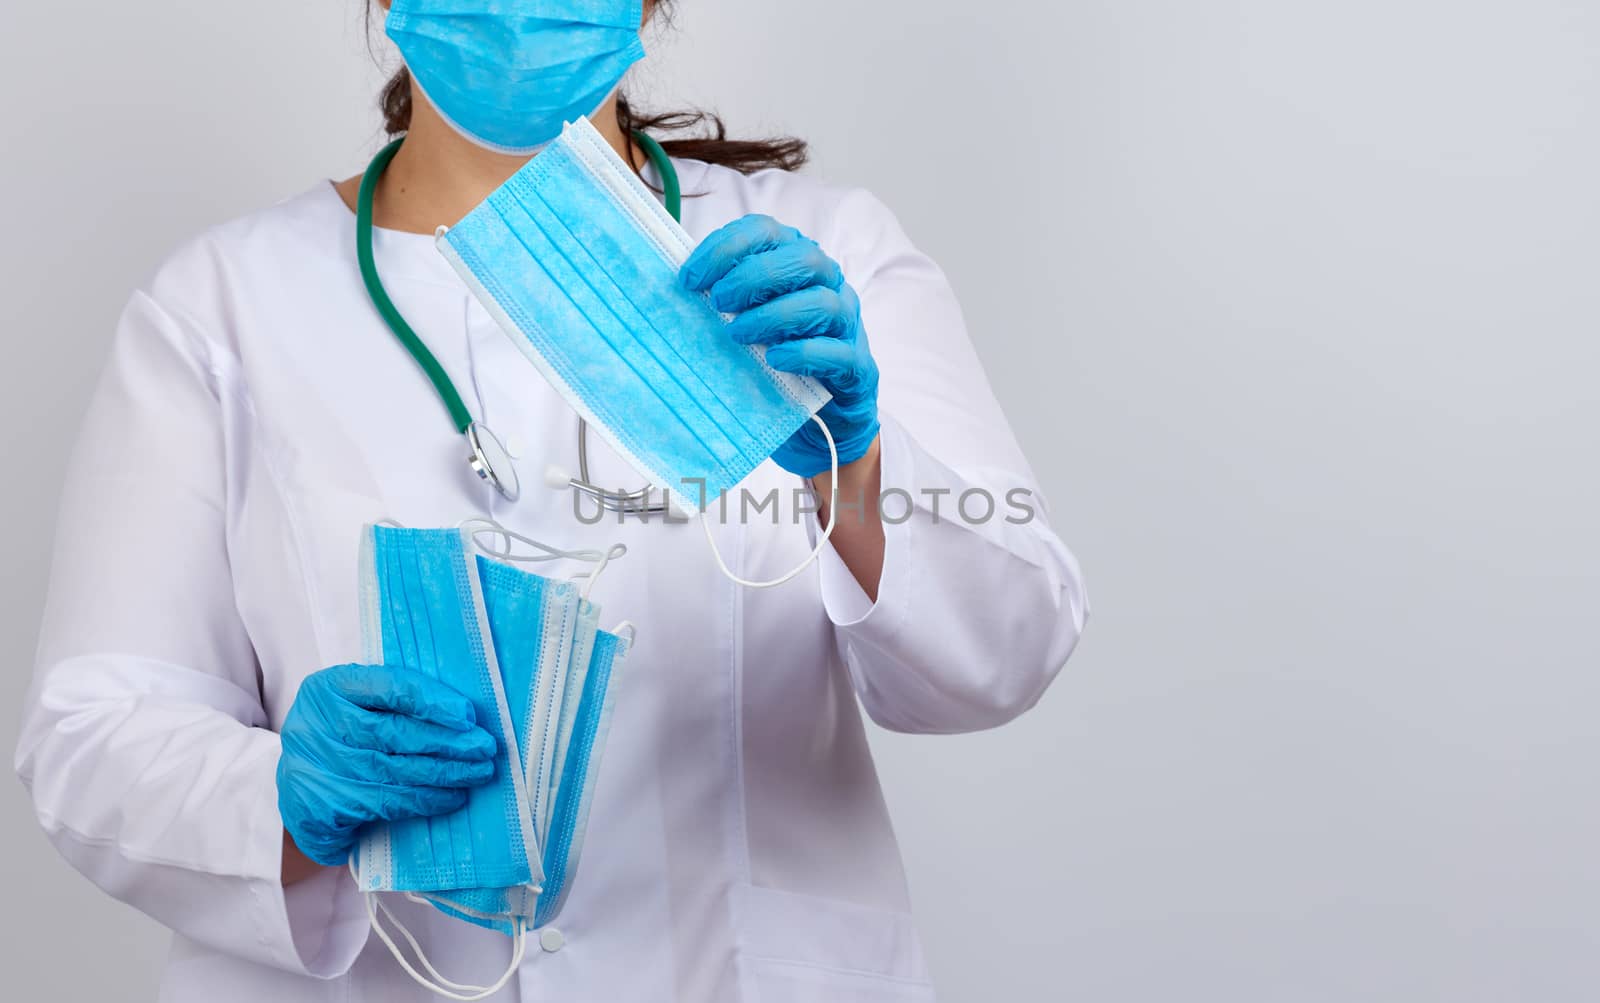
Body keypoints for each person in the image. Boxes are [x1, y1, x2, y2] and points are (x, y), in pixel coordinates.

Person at [15, 1, 1088, 1000]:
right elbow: (93, 737)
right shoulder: (222, 304)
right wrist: (281, 801)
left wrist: (848, 464)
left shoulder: (815, 261)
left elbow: (1006, 652)